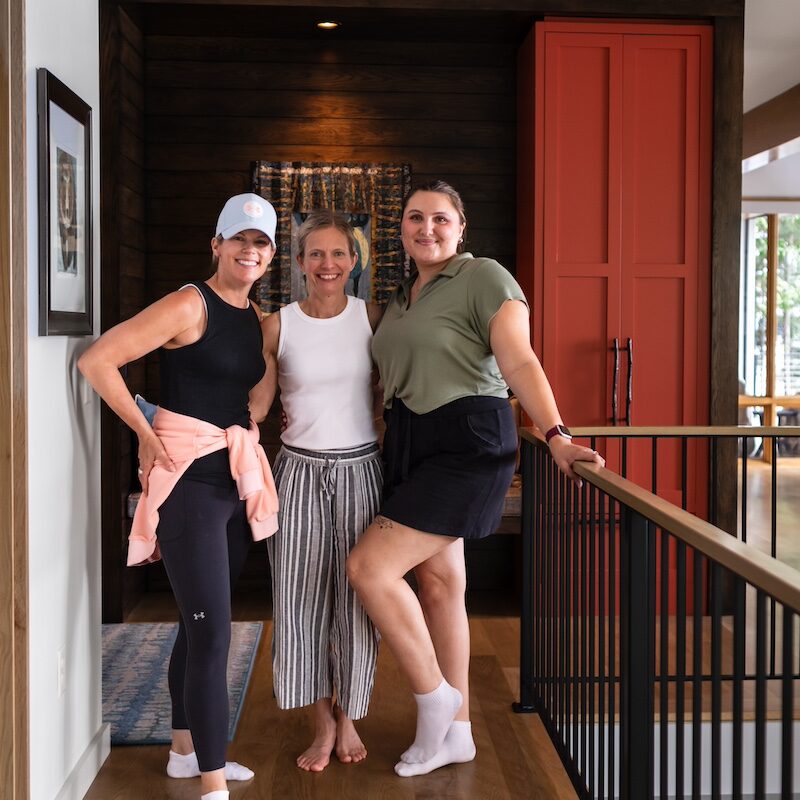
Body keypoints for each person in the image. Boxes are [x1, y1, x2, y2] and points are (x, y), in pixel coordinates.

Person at [345, 180, 604, 777]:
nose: (426, 228)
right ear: (402, 229)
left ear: (461, 228)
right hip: (408, 441)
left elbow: (519, 360)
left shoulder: (484, 276)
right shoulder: (402, 297)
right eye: (415, 218)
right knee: (439, 586)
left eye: (440, 218)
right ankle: (456, 734)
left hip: (468, 441)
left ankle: (437, 698)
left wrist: (557, 434)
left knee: (369, 567)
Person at [78, 193, 281, 800]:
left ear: (270, 257)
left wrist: (254, 415)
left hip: (232, 481)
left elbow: (253, 398)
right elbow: (98, 360)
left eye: (261, 243)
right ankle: (212, 785)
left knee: (198, 633)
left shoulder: (252, 318)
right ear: (215, 245)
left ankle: (185, 754)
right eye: (238, 239)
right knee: (214, 635)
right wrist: (144, 431)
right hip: (187, 483)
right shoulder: (189, 304)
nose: (250, 250)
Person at [250, 209, 384, 772]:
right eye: (315, 254)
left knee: (358, 601)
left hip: (362, 472)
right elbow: (256, 405)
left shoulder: (372, 315)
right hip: (298, 472)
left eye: (338, 254)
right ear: (299, 263)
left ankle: (351, 712)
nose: (327, 264)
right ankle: (321, 718)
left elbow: (391, 389)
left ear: (354, 263)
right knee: (299, 598)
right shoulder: (277, 324)